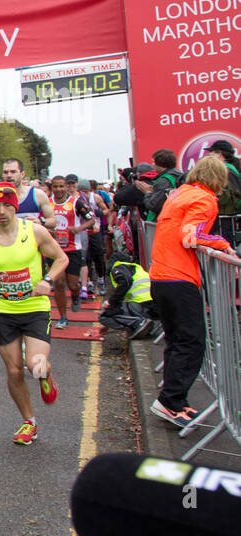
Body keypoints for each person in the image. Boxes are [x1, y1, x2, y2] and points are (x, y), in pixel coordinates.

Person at [0, 182, 68, 445]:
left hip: (34, 308)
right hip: (3, 311)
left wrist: (47, 279)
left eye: (7, 206)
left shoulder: (34, 232)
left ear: (15, 207)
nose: (1, 211)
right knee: (13, 371)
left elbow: (61, 259)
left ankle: (45, 376)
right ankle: (29, 423)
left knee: (35, 365)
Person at [148, 156, 237, 427]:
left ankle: (174, 401)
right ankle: (171, 401)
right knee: (192, 341)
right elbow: (191, 235)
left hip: (161, 274)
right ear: (219, 179)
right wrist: (222, 242)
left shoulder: (180, 193)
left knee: (177, 341)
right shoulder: (205, 199)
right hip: (178, 277)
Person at [47, 174, 94, 328]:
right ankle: (63, 317)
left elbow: (91, 219)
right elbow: (41, 220)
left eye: (62, 186)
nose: (59, 189)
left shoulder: (76, 203)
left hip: (73, 248)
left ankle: (75, 296)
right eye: (56, 186)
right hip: (54, 249)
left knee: (73, 285)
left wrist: (78, 229)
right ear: (52, 187)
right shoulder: (47, 203)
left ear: (66, 187)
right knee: (59, 283)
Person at [99, 251, 159, 339]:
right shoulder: (137, 269)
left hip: (143, 304)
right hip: (156, 307)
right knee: (114, 311)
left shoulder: (118, 266)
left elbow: (125, 282)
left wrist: (110, 302)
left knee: (104, 316)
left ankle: (139, 323)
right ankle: (141, 326)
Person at [1, 159, 56, 228]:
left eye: (13, 172)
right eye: (5, 172)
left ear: (22, 174)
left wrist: (41, 221)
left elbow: (53, 221)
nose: (9, 175)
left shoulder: (38, 194)